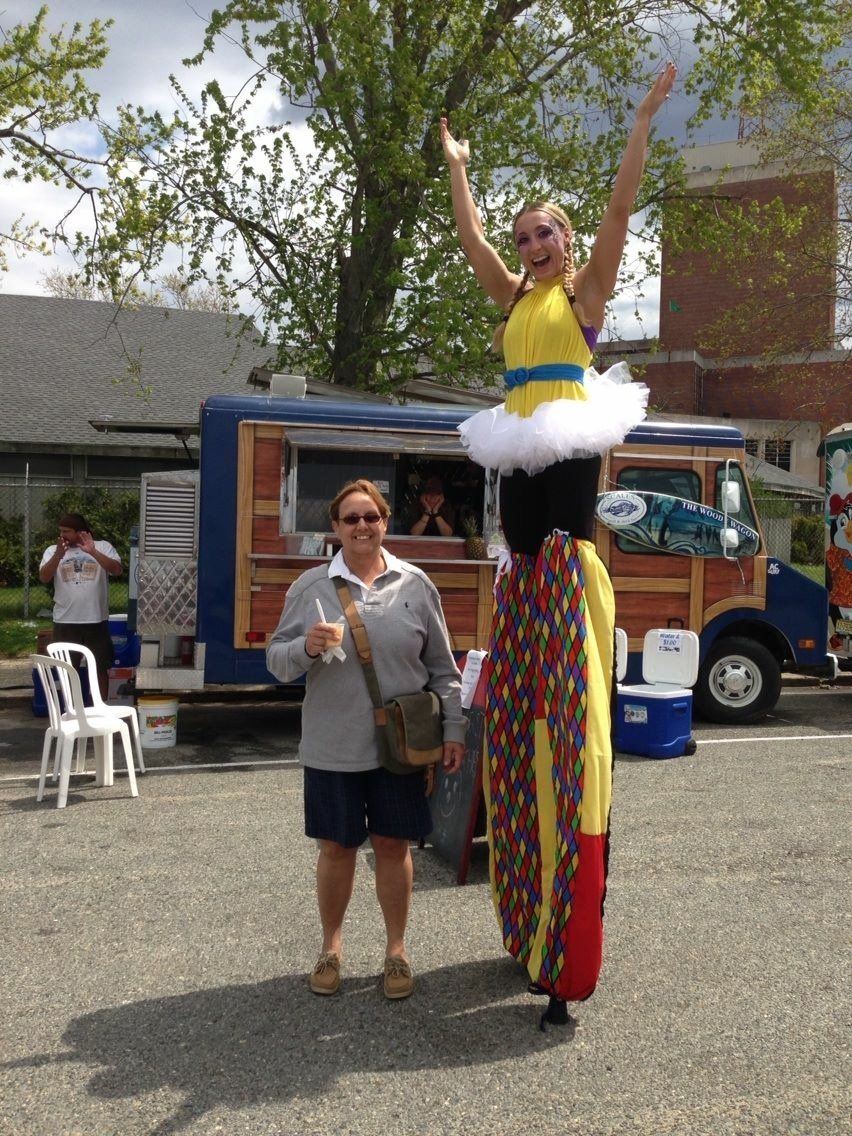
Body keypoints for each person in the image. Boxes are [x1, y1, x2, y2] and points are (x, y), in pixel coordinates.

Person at [441, 63, 676, 1026]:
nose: (533, 245)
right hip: (520, 555)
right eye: (527, 234)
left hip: (569, 556)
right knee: (513, 744)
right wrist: (458, 166)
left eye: (548, 233)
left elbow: (622, 207)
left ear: (568, 245)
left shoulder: (582, 302)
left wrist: (643, 120)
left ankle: (568, 957)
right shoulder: (508, 298)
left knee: (570, 744)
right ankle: (527, 924)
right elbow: (471, 241)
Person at [266, 479, 466, 1001]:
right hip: (333, 744)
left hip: (400, 745)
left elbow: (443, 670)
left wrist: (453, 730)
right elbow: (276, 660)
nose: (362, 526)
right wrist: (306, 648)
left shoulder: (416, 585)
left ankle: (396, 952)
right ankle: (331, 948)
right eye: (350, 518)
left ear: (385, 523)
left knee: (394, 846)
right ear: (335, 528)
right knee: (336, 847)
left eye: (371, 517)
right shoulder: (309, 587)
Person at [38, 512, 122, 701]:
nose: (62, 536)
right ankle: (73, 711)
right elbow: (44, 577)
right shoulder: (53, 550)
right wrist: (59, 555)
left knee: (100, 667)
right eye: (60, 531)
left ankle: (101, 709)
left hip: (95, 619)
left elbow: (116, 570)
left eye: (66, 531)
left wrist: (92, 552)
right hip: (65, 621)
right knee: (68, 669)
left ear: (80, 531)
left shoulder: (102, 546)